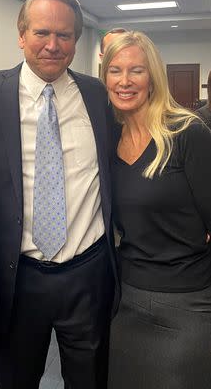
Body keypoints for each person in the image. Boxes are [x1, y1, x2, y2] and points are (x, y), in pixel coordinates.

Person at [0, 0, 119, 389]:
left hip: (88, 273)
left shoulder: (99, 96)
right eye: (41, 32)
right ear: (21, 35)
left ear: (77, 41)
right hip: (17, 278)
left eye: (64, 35)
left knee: (90, 379)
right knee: (16, 380)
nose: (52, 44)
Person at [100, 31, 211, 389]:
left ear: (154, 77)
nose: (125, 81)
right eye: (115, 70)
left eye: (137, 70)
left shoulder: (186, 133)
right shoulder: (108, 139)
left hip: (187, 302)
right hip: (128, 299)